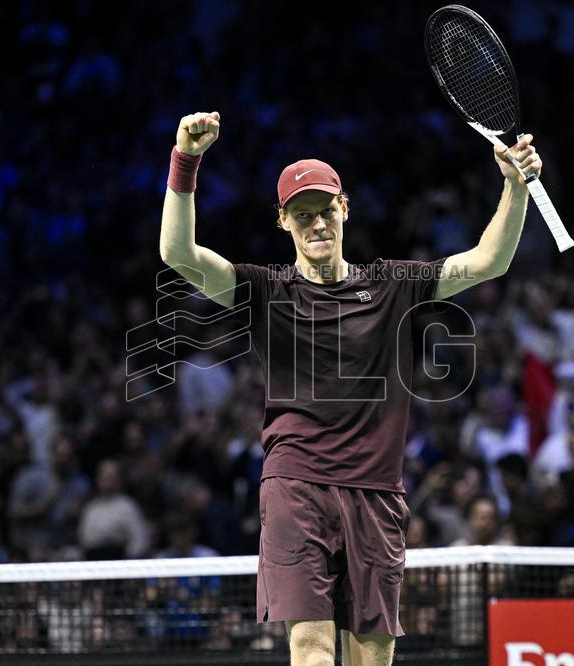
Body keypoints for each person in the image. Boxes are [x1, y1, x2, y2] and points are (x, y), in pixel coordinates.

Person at [159, 111, 542, 666]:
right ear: (284, 222)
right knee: (311, 645)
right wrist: (185, 161)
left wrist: (514, 186)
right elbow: (178, 254)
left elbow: (489, 261)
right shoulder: (266, 291)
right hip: (296, 485)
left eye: (326, 210)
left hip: (375, 490)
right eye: (302, 214)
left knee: (372, 655)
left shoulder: (392, 284)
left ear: (345, 209)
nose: (316, 224)